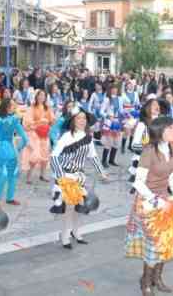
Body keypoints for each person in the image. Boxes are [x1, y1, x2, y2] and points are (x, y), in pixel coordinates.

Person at [125, 116, 173, 296]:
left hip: (166, 200)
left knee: (165, 240)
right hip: (148, 202)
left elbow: (171, 174)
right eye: (171, 128)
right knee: (153, 244)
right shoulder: (149, 151)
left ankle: (157, 279)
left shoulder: (172, 147)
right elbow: (138, 183)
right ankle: (146, 282)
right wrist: (155, 200)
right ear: (161, 131)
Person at [50, 107, 107, 249]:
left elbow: (93, 156)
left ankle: (76, 231)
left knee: (79, 207)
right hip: (65, 176)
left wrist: (101, 172)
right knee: (68, 208)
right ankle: (64, 235)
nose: (82, 121)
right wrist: (60, 177)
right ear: (73, 121)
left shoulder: (88, 138)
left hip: (79, 177)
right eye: (79, 118)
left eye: (84, 118)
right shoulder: (66, 136)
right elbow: (54, 156)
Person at [0, 98, 29, 209]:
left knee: (12, 174)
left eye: (14, 106)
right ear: (6, 107)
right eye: (12, 105)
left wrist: (19, 147)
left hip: (9, 149)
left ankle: (9, 198)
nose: (14, 107)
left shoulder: (13, 119)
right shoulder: (0, 120)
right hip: (3, 149)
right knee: (5, 174)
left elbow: (24, 136)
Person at [21, 89, 55, 184]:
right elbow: (27, 121)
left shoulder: (47, 108)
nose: (41, 97)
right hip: (34, 134)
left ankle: (42, 174)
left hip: (45, 134)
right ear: (36, 97)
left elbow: (52, 119)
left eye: (43, 96)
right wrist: (39, 122)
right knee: (34, 155)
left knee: (45, 155)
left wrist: (50, 121)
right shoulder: (31, 108)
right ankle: (29, 176)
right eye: (40, 95)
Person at [99, 86, 124, 168]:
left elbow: (121, 110)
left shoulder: (120, 99)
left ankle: (111, 160)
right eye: (113, 88)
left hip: (117, 122)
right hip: (109, 123)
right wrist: (108, 116)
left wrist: (124, 115)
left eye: (116, 88)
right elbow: (101, 111)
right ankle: (103, 161)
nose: (115, 90)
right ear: (110, 90)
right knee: (108, 142)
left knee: (116, 142)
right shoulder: (107, 99)